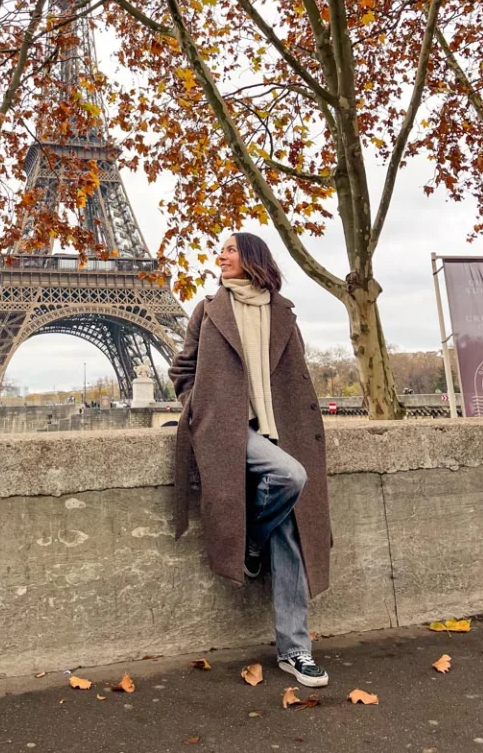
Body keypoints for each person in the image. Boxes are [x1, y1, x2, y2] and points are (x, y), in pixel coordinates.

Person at [169, 232, 331, 688]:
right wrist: (198, 408)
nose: (220, 256)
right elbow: (183, 369)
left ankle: (295, 650)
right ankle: (253, 548)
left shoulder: (283, 313)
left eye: (230, 250)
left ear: (253, 258)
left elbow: (296, 375)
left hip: (282, 429)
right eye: (219, 250)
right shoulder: (208, 309)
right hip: (230, 431)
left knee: (291, 539)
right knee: (289, 476)